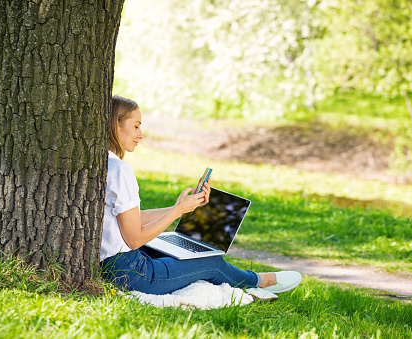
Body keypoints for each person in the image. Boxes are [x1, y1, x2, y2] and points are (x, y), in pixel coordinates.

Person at [99, 96, 302, 298]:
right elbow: (134, 239)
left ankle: (243, 279)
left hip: (113, 264)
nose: (140, 134)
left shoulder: (104, 163)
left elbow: (132, 219)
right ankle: (258, 281)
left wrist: (181, 208)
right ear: (115, 126)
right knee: (210, 261)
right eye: (136, 126)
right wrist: (178, 210)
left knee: (168, 249)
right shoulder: (120, 170)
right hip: (132, 275)